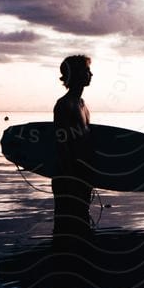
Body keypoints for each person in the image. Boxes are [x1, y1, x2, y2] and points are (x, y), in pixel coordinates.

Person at [51, 54, 93, 234]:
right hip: (68, 178)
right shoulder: (64, 104)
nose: (91, 74)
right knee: (65, 228)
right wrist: (71, 180)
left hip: (83, 176)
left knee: (82, 225)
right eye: (86, 70)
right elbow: (62, 146)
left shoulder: (83, 105)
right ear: (76, 74)